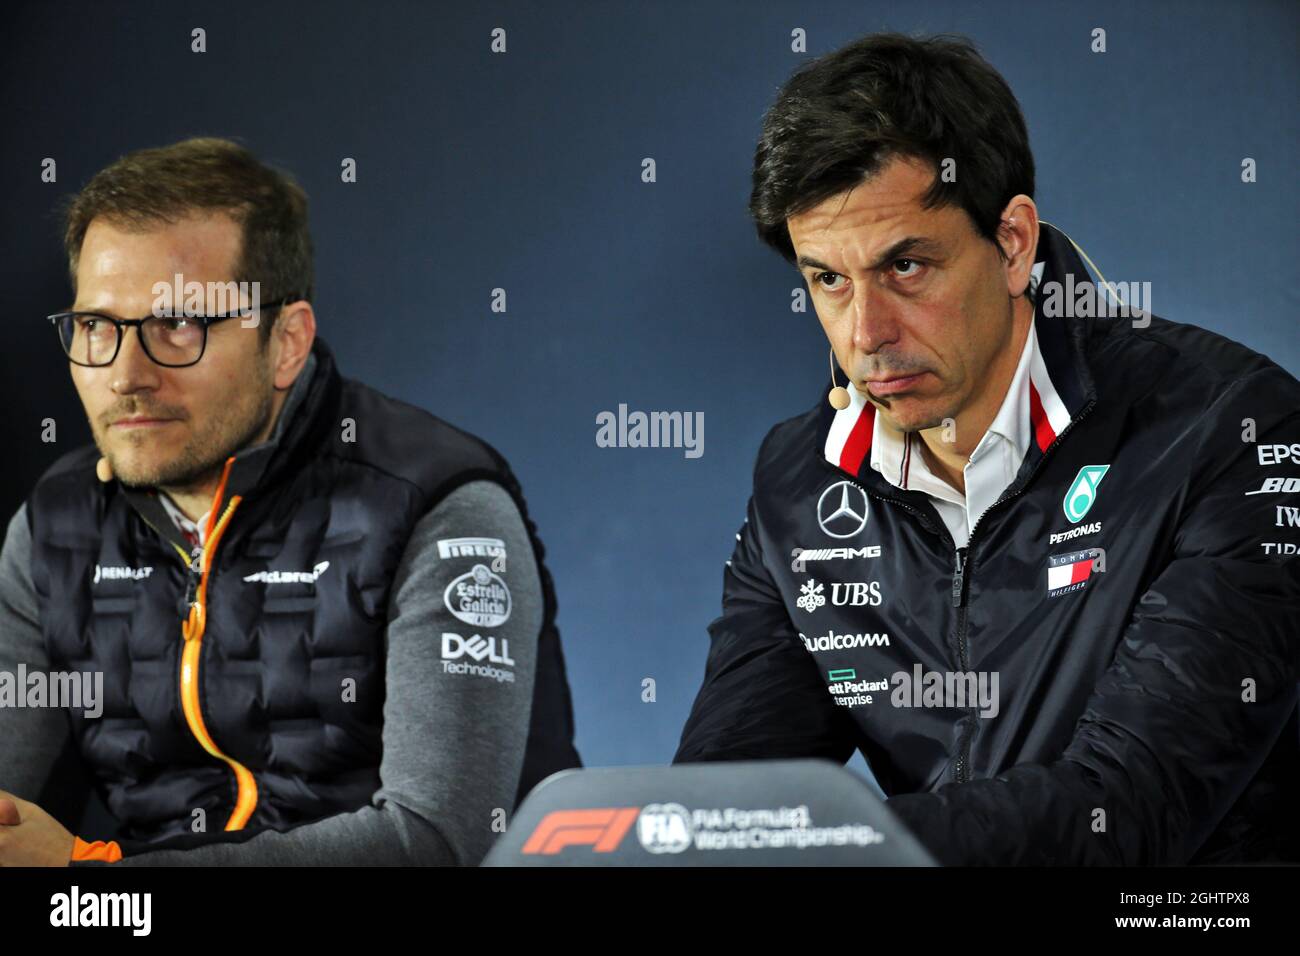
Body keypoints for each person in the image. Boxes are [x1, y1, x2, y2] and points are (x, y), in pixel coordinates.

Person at [673, 33, 1300, 864]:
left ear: (1012, 243)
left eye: (905, 266)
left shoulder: (1234, 427)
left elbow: (1128, 814)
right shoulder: (799, 485)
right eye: (827, 278)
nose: (867, 335)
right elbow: (722, 805)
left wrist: (823, 845)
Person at [0, 137, 580, 866]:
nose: (126, 375)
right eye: (97, 327)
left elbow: (435, 842)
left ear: (286, 342)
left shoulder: (438, 507)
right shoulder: (55, 528)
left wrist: (103, 885)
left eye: (179, 323)